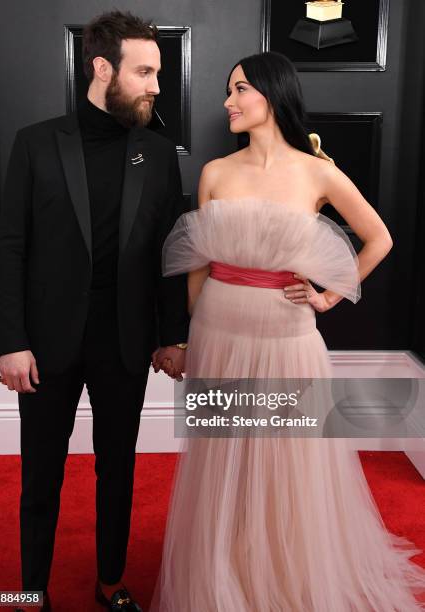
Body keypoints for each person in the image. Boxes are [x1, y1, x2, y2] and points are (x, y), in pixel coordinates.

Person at [150, 51, 425, 610]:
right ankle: (225, 576)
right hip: (218, 335)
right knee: (223, 466)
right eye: (228, 90)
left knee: (287, 468)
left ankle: (284, 578)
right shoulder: (215, 173)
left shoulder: (317, 170)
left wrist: (327, 295)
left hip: (288, 340)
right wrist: (186, 341)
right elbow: (198, 267)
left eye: (239, 89)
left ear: (272, 95)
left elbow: (379, 238)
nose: (228, 101)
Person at [0, 10, 189, 612]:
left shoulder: (157, 153)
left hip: (126, 340)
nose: (157, 85)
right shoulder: (35, 143)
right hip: (46, 342)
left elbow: (169, 252)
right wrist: (10, 341)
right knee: (40, 476)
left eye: (158, 71)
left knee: (119, 470)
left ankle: (110, 583)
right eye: (145, 72)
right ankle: (30, 592)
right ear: (101, 68)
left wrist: (172, 336)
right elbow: (11, 250)